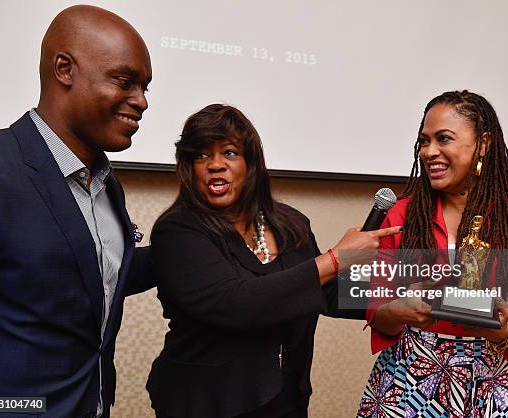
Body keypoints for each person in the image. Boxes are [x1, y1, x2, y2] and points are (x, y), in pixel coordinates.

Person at [146, 104, 401, 418]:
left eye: (229, 152)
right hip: (207, 403)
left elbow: (326, 293)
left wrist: (406, 293)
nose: (215, 165)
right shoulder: (178, 231)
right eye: (201, 155)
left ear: (250, 163)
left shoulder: (291, 224)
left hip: (285, 397)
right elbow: (238, 303)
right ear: (188, 167)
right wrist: (337, 259)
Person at [0, 6, 153, 418]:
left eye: (145, 87)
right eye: (125, 81)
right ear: (64, 69)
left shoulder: (108, 186)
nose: (141, 102)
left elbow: (87, 284)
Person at [357, 90, 508, 417]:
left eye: (444, 139)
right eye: (424, 141)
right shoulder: (401, 216)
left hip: (500, 385)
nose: (429, 151)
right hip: (408, 382)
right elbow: (377, 310)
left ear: (483, 143)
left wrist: (500, 329)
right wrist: (398, 310)